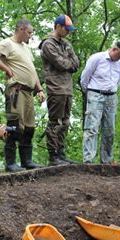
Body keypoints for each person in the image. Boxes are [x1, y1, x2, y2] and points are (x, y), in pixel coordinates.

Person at [0, 18, 45, 172]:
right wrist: (6, 69)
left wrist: (39, 89)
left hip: (29, 92)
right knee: (14, 125)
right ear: (20, 29)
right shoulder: (7, 44)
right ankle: (11, 163)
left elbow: (32, 70)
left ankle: (27, 161)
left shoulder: (26, 48)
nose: (30, 35)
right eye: (29, 32)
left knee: (29, 128)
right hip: (16, 91)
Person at [38, 14, 80, 166]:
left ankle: (61, 153)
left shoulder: (66, 43)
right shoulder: (48, 44)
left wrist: (69, 61)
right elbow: (61, 64)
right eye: (66, 29)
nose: (68, 32)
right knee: (55, 122)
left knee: (65, 122)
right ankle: (53, 156)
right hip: (56, 88)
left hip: (67, 88)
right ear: (57, 27)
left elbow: (76, 63)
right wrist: (68, 62)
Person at [80, 40, 120, 164]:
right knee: (92, 127)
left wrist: (112, 92)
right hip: (95, 94)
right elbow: (84, 78)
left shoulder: (119, 65)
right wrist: (90, 93)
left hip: (111, 97)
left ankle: (106, 161)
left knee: (109, 130)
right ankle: (88, 160)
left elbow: (117, 81)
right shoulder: (96, 58)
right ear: (114, 50)